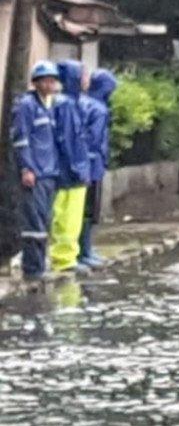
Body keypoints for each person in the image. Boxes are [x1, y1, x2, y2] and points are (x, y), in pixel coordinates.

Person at [10, 61, 61, 281]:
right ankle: (33, 269)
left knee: (44, 220)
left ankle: (40, 265)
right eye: (47, 80)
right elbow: (21, 140)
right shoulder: (26, 106)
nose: (51, 84)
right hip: (35, 173)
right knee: (34, 222)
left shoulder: (47, 107)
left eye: (53, 80)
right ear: (37, 82)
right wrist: (26, 168)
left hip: (48, 173)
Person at [50, 60, 91, 275]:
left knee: (69, 216)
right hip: (70, 171)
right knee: (67, 215)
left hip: (72, 169)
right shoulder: (65, 104)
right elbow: (67, 139)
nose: (87, 80)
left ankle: (67, 256)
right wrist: (77, 167)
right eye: (83, 75)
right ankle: (63, 258)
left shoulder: (71, 102)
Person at [78, 69, 117, 268]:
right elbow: (95, 139)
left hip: (80, 165)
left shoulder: (81, 103)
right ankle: (84, 251)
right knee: (89, 212)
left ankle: (84, 250)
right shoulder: (99, 109)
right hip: (93, 167)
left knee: (79, 211)